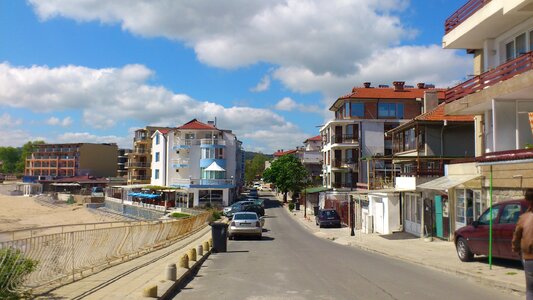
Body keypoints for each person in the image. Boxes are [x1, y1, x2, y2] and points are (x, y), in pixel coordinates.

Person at [513, 188, 533, 300]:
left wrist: (516, 249)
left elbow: (516, 236)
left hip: (529, 258)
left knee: (530, 289)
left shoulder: (523, 218)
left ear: (527, 200)